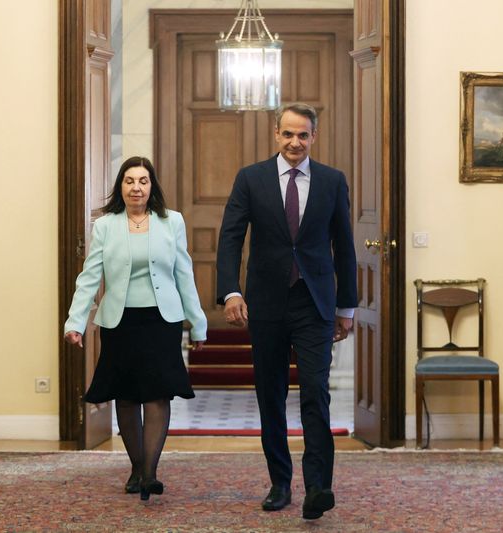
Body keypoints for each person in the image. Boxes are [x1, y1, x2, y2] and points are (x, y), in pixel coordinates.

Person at [216, 103, 357, 520]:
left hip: (314, 304)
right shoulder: (251, 178)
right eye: (288, 134)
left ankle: (318, 486)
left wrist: (346, 306)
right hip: (267, 303)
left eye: (304, 135)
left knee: (316, 391)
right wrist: (231, 293)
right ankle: (280, 482)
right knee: (271, 394)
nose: (295, 142)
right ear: (276, 134)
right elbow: (230, 239)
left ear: (314, 137)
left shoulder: (332, 181)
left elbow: (345, 248)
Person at [64, 156, 206, 501]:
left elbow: (184, 274)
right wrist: (75, 321)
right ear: (121, 187)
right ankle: (137, 467)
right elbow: (90, 278)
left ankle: (150, 474)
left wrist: (198, 323)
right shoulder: (106, 226)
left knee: (157, 393)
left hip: (162, 321)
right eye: (129, 181)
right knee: (127, 396)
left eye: (143, 181)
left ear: (152, 186)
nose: (136, 187)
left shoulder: (172, 221)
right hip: (120, 321)